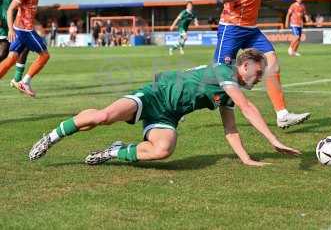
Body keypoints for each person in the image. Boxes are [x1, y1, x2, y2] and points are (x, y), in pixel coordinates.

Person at [29, 48, 301, 166]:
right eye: (257, 71)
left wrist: (246, 158)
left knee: (163, 149)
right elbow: (247, 107)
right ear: (244, 66)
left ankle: (115, 151)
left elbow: (230, 128)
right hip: (153, 96)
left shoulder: (230, 90)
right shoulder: (224, 72)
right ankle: (53, 136)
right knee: (103, 116)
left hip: (167, 115)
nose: (259, 77)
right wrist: (272, 139)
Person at [214, 0, 310, 128]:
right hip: (231, 28)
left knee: (272, 62)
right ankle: (181, 101)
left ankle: (282, 114)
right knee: (220, 76)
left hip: (251, 30)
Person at [0, 0, 50, 97]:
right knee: (45, 55)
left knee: (11, 58)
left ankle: (21, 81)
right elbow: (10, 9)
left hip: (24, 28)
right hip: (24, 30)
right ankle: (24, 82)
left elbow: (31, 10)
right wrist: (10, 29)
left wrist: (50, 8)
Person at [0, 0, 30, 88]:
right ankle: (17, 79)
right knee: (4, 52)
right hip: (5, 20)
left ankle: (17, 79)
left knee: (24, 46)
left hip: (16, 20)